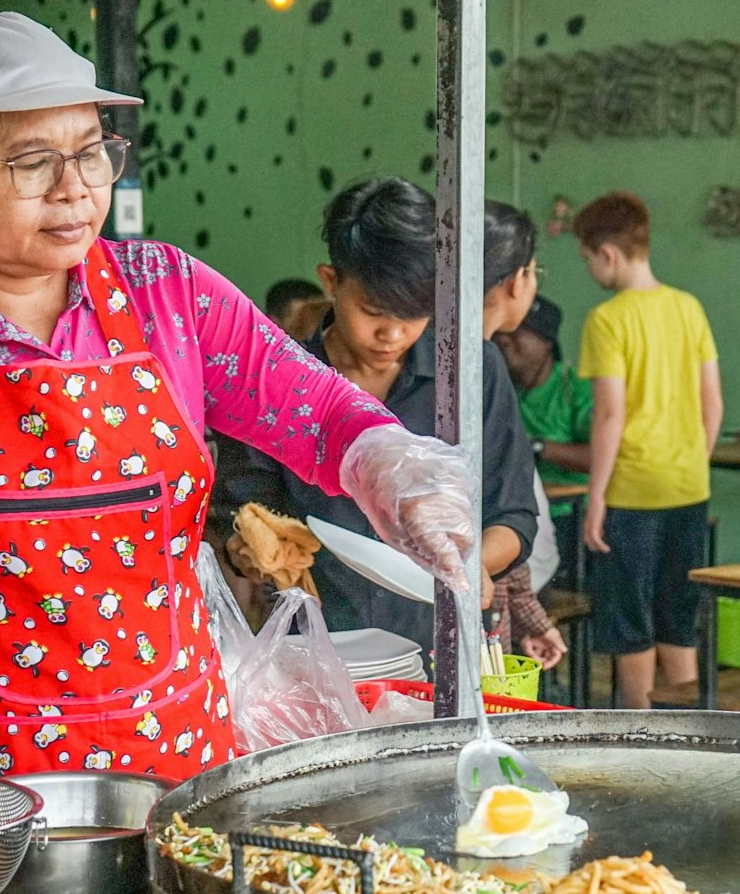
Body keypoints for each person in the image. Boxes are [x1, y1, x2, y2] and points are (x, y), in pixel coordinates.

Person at [0, 12, 475, 774]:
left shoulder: (172, 297)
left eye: (92, 152)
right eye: (32, 162)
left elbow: (317, 408)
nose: (74, 189)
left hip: (165, 759)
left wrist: (388, 463)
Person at [224, 178, 537, 651]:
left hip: (443, 644)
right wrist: (256, 551)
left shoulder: (473, 371)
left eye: (414, 315)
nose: (392, 333)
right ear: (330, 282)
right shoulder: (276, 384)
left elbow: (512, 514)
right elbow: (241, 514)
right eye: (373, 311)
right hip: (318, 648)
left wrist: (475, 566)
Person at [574, 191, 723, 709]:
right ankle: (686, 734)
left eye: (588, 259)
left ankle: (639, 733)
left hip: (632, 492)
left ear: (608, 254)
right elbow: (714, 406)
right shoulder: (689, 308)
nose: (591, 270)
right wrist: (690, 463)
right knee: (678, 618)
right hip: (688, 487)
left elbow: (610, 414)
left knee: (629, 621)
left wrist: (596, 497)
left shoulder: (606, 320)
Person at [481, 201, 566, 671]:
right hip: (458, 605)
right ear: (518, 282)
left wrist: (529, 613)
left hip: (484, 588)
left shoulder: (483, 364)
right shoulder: (479, 366)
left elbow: (500, 508)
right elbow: (503, 509)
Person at [493, 295, 592, 575]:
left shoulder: (574, 388)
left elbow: (599, 455)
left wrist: (536, 448)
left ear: (546, 342)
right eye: (501, 333)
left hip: (568, 518)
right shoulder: (497, 387)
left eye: (518, 333)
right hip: (513, 514)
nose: (505, 339)